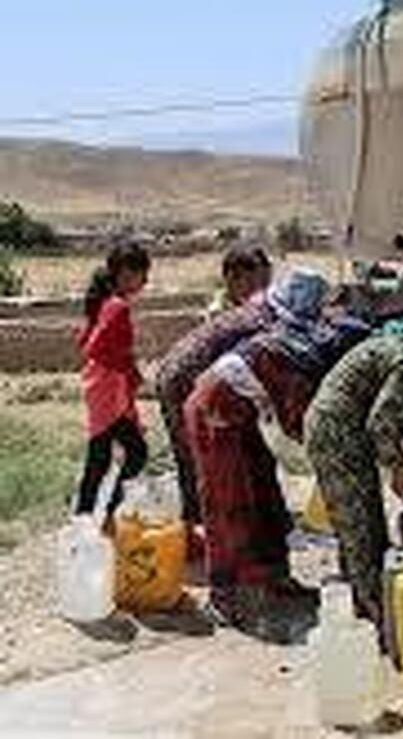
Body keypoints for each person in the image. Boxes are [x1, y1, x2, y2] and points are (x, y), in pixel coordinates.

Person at [183, 269, 368, 638]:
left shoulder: (302, 348)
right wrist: (338, 462)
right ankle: (228, 596)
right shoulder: (295, 359)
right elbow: (301, 427)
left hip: (242, 416)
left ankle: (271, 576)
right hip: (213, 414)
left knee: (265, 494)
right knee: (228, 504)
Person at [304, 310, 403, 629]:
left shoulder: (398, 344)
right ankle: (374, 615)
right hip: (337, 433)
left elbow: (397, 413)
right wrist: (397, 465)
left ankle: (367, 600)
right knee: (359, 526)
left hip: (340, 428)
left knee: (367, 521)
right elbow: (381, 422)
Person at [156, 270, 277, 555]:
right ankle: (212, 541)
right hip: (186, 381)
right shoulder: (261, 324)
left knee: (189, 458)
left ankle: (196, 535)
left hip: (174, 373)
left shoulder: (249, 314)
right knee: (204, 461)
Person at [74, 241, 152, 520]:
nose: (145, 281)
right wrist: (128, 368)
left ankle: (88, 516)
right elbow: (94, 347)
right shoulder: (117, 306)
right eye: (142, 273)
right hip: (107, 389)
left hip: (103, 388)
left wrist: (127, 370)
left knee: (105, 457)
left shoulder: (107, 303)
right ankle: (103, 515)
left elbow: (86, 340)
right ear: (124, 273)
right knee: (129, 453)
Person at [205, 243, 272, 320]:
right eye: (237, 277)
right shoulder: (218, 312)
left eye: (250, 279)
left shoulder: (274, 305)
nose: (244, 284)